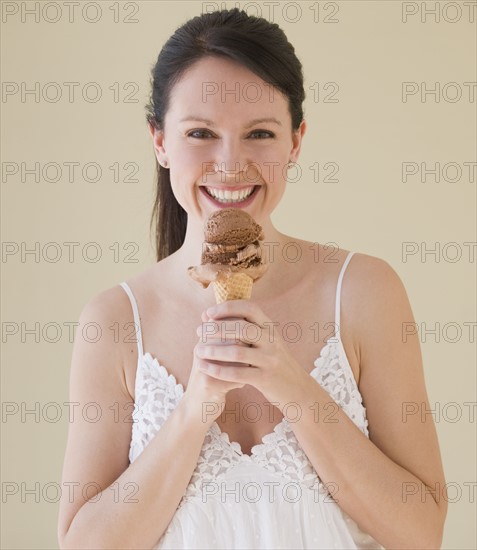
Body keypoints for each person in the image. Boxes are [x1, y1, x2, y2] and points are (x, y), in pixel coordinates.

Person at [57, 8, 447, 550]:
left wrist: (289, 383)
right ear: (160, 141)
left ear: (295, 141)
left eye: (260, 133)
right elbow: (84, 544)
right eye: (200, 133)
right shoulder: (115, 320)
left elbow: (421, 531)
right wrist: (195, 408)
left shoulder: (363, 292)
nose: (231, 163)